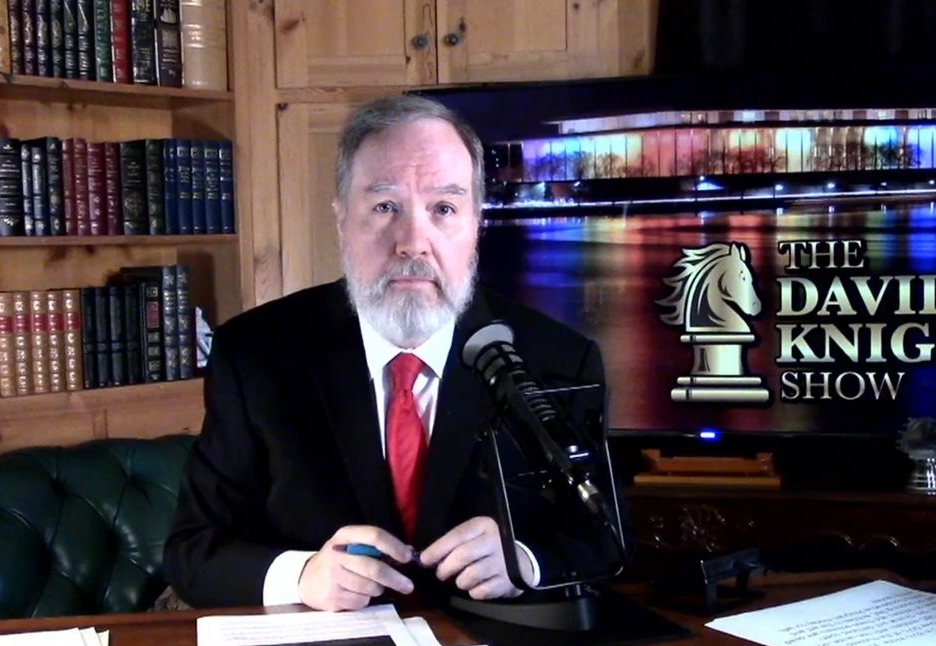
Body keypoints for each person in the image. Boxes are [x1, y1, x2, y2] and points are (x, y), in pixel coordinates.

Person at [163, 95, 609, 611]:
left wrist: (527, 560)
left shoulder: (558, 360)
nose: (413, 242)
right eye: (385, 207)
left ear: (476, 224)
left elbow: (602, 534)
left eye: (444, 209)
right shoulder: (254, 355)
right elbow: (193, 552)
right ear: (341, 219)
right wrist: (303, 575)